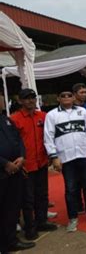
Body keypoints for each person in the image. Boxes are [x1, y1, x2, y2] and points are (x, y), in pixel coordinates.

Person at [44, 87, 86, 233]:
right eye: (62, 95)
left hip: (84, 155)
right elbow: (48, 137)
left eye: (69, 95)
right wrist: (53, 157)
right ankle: (72, 218)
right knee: (71, 189)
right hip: (66, 158)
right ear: (58, 98)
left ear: (73, 98)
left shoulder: (82, 111)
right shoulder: (52, 115)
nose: (66, 97)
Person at [10, 89, 58, 241]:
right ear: (20, 101)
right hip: (26, 165)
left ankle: (42, 221)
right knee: (27, 198)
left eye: (33, 98)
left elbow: (50, 136)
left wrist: (51, 155)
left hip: (42, 162)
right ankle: (30, 227)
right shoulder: (14, 119)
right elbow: (13, 143)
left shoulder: (43, 116)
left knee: (42, 194)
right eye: (27, 98)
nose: (30, 101)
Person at [0, 103, 35, 252]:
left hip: (15, 171)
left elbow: (19, 140)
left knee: (12, 209)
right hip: (2, 171)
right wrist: (5, 163)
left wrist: (21, 157)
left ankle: (12, 241)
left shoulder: (6, 120)